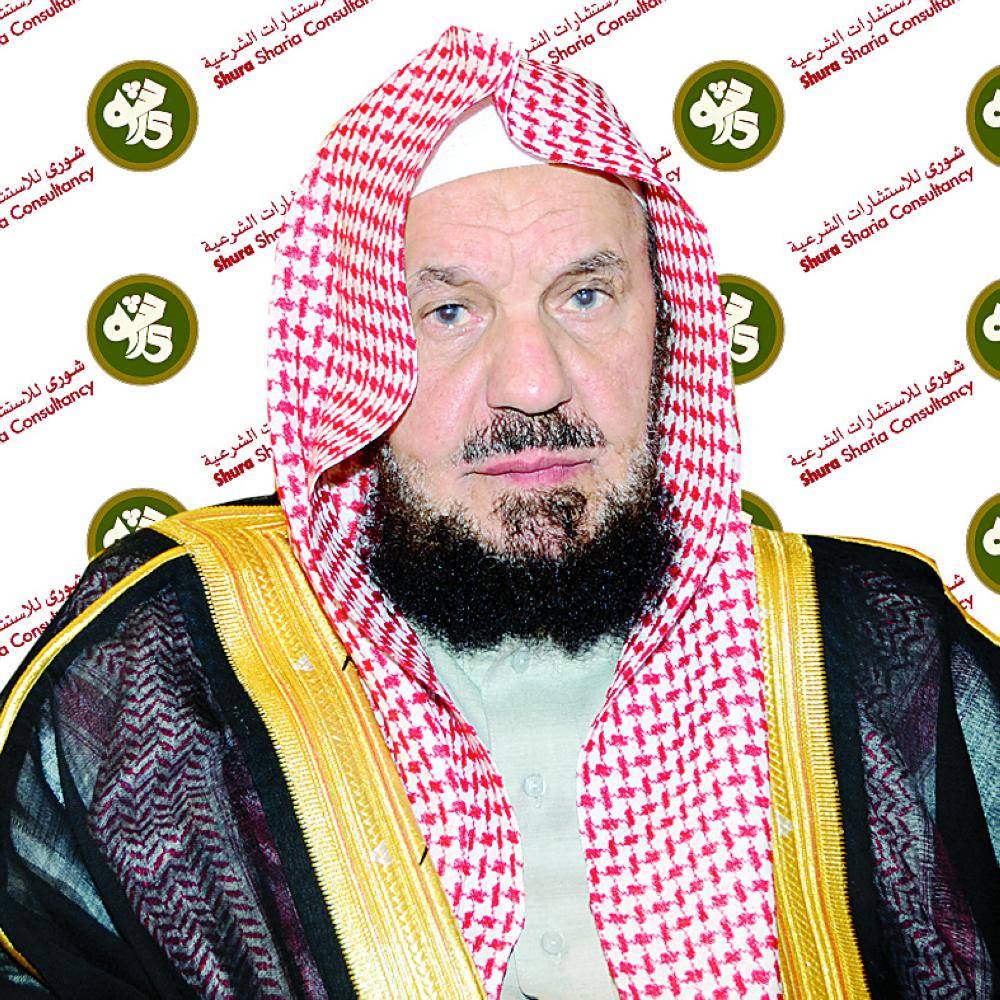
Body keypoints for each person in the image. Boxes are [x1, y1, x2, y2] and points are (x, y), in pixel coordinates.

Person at [0, 24, 996, 999]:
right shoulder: (180, 659)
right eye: (450, 312)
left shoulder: (868, 641)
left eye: (585, 297)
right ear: (354, 351)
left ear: (666, 325)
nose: (531, 383)